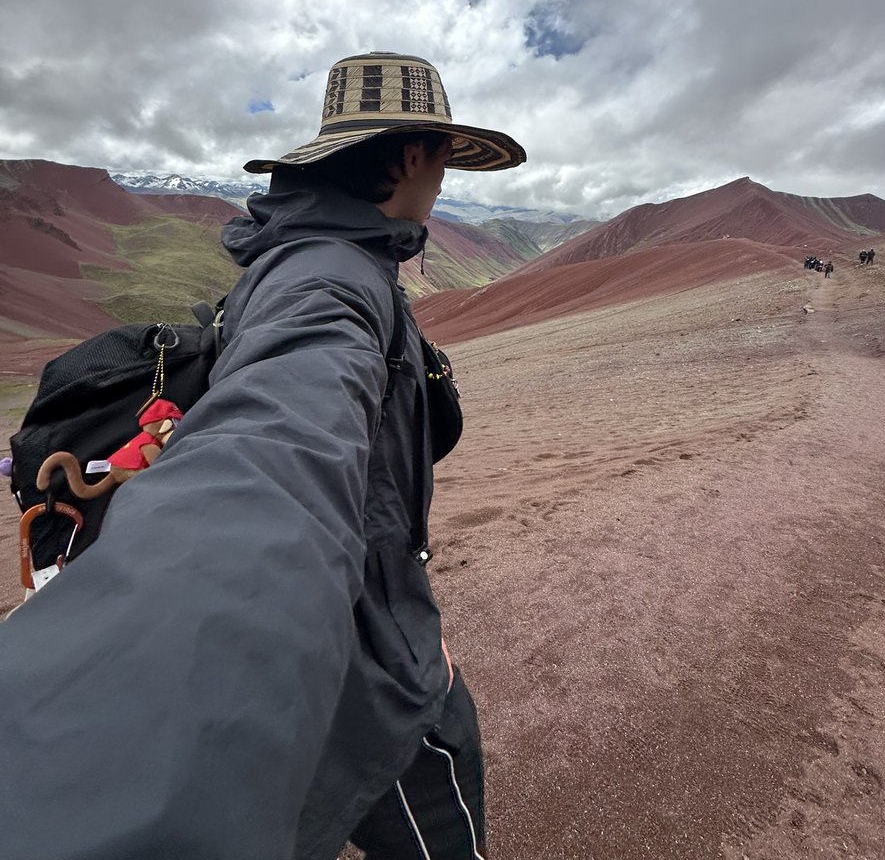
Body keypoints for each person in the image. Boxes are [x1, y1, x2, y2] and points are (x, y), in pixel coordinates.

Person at [0, 51, 526, 860]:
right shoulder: (330, 282)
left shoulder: (311, 252)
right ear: (410, 156)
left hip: (354, 624)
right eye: (444, 155)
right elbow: (275, 452)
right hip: (369, 665)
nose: (445, 175)